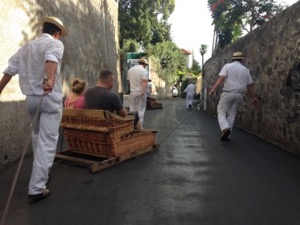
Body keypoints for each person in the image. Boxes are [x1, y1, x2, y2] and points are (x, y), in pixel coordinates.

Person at [0, 17, 67, 201]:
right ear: (57, 33)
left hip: (31, 99)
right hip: (49, 97)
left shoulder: (25, 47)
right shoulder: (55, 44)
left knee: (38, 136)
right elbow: (51, 59)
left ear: (42, 29)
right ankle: (37, 187)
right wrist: (51, 80)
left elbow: (9, 70)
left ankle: (42, 172)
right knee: (48, 140)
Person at [208, 52, 259, 142]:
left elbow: (221, 78)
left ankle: (225, 128)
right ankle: (228, 134)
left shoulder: (227, 66)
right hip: (239, 95)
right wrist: (253, 98)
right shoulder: (246, 70)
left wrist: (212, 89)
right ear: (241, 59)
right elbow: (250, 86)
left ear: (233, 59)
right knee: (232, 114)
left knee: (221, 111)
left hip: (228, 93)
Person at [127, 58, 148, 127]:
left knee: (132, 109)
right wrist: (143, 91)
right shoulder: (144, 71)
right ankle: (139, 127)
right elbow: (144, 81)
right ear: (144, 64)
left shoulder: (130, 70)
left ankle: (131, 126)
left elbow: (129, 81)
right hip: (140, 92)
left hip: (132, 92)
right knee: (140, 111)